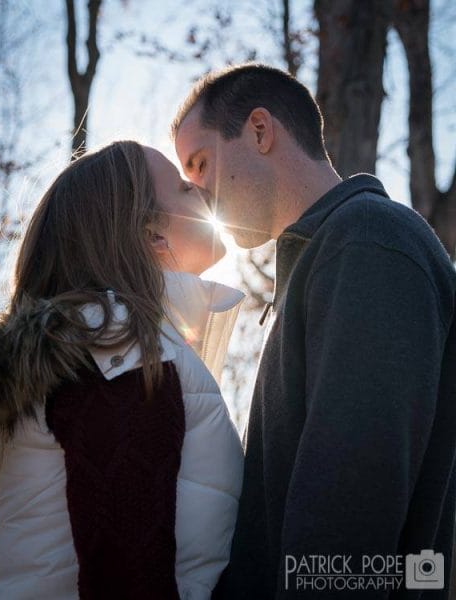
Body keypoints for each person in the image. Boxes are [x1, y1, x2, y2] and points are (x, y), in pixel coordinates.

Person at [172, 63, 456, 599]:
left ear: (260, 130)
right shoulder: (328, 256)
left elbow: (352, 498)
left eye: (201, 164)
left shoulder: (367, 242)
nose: (199, 193)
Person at [0, 140, 245, 600]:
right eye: (184, 188)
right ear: (151, 236)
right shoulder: (116, 343)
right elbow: (126, 575)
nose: (203, 189)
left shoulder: (116, 342)